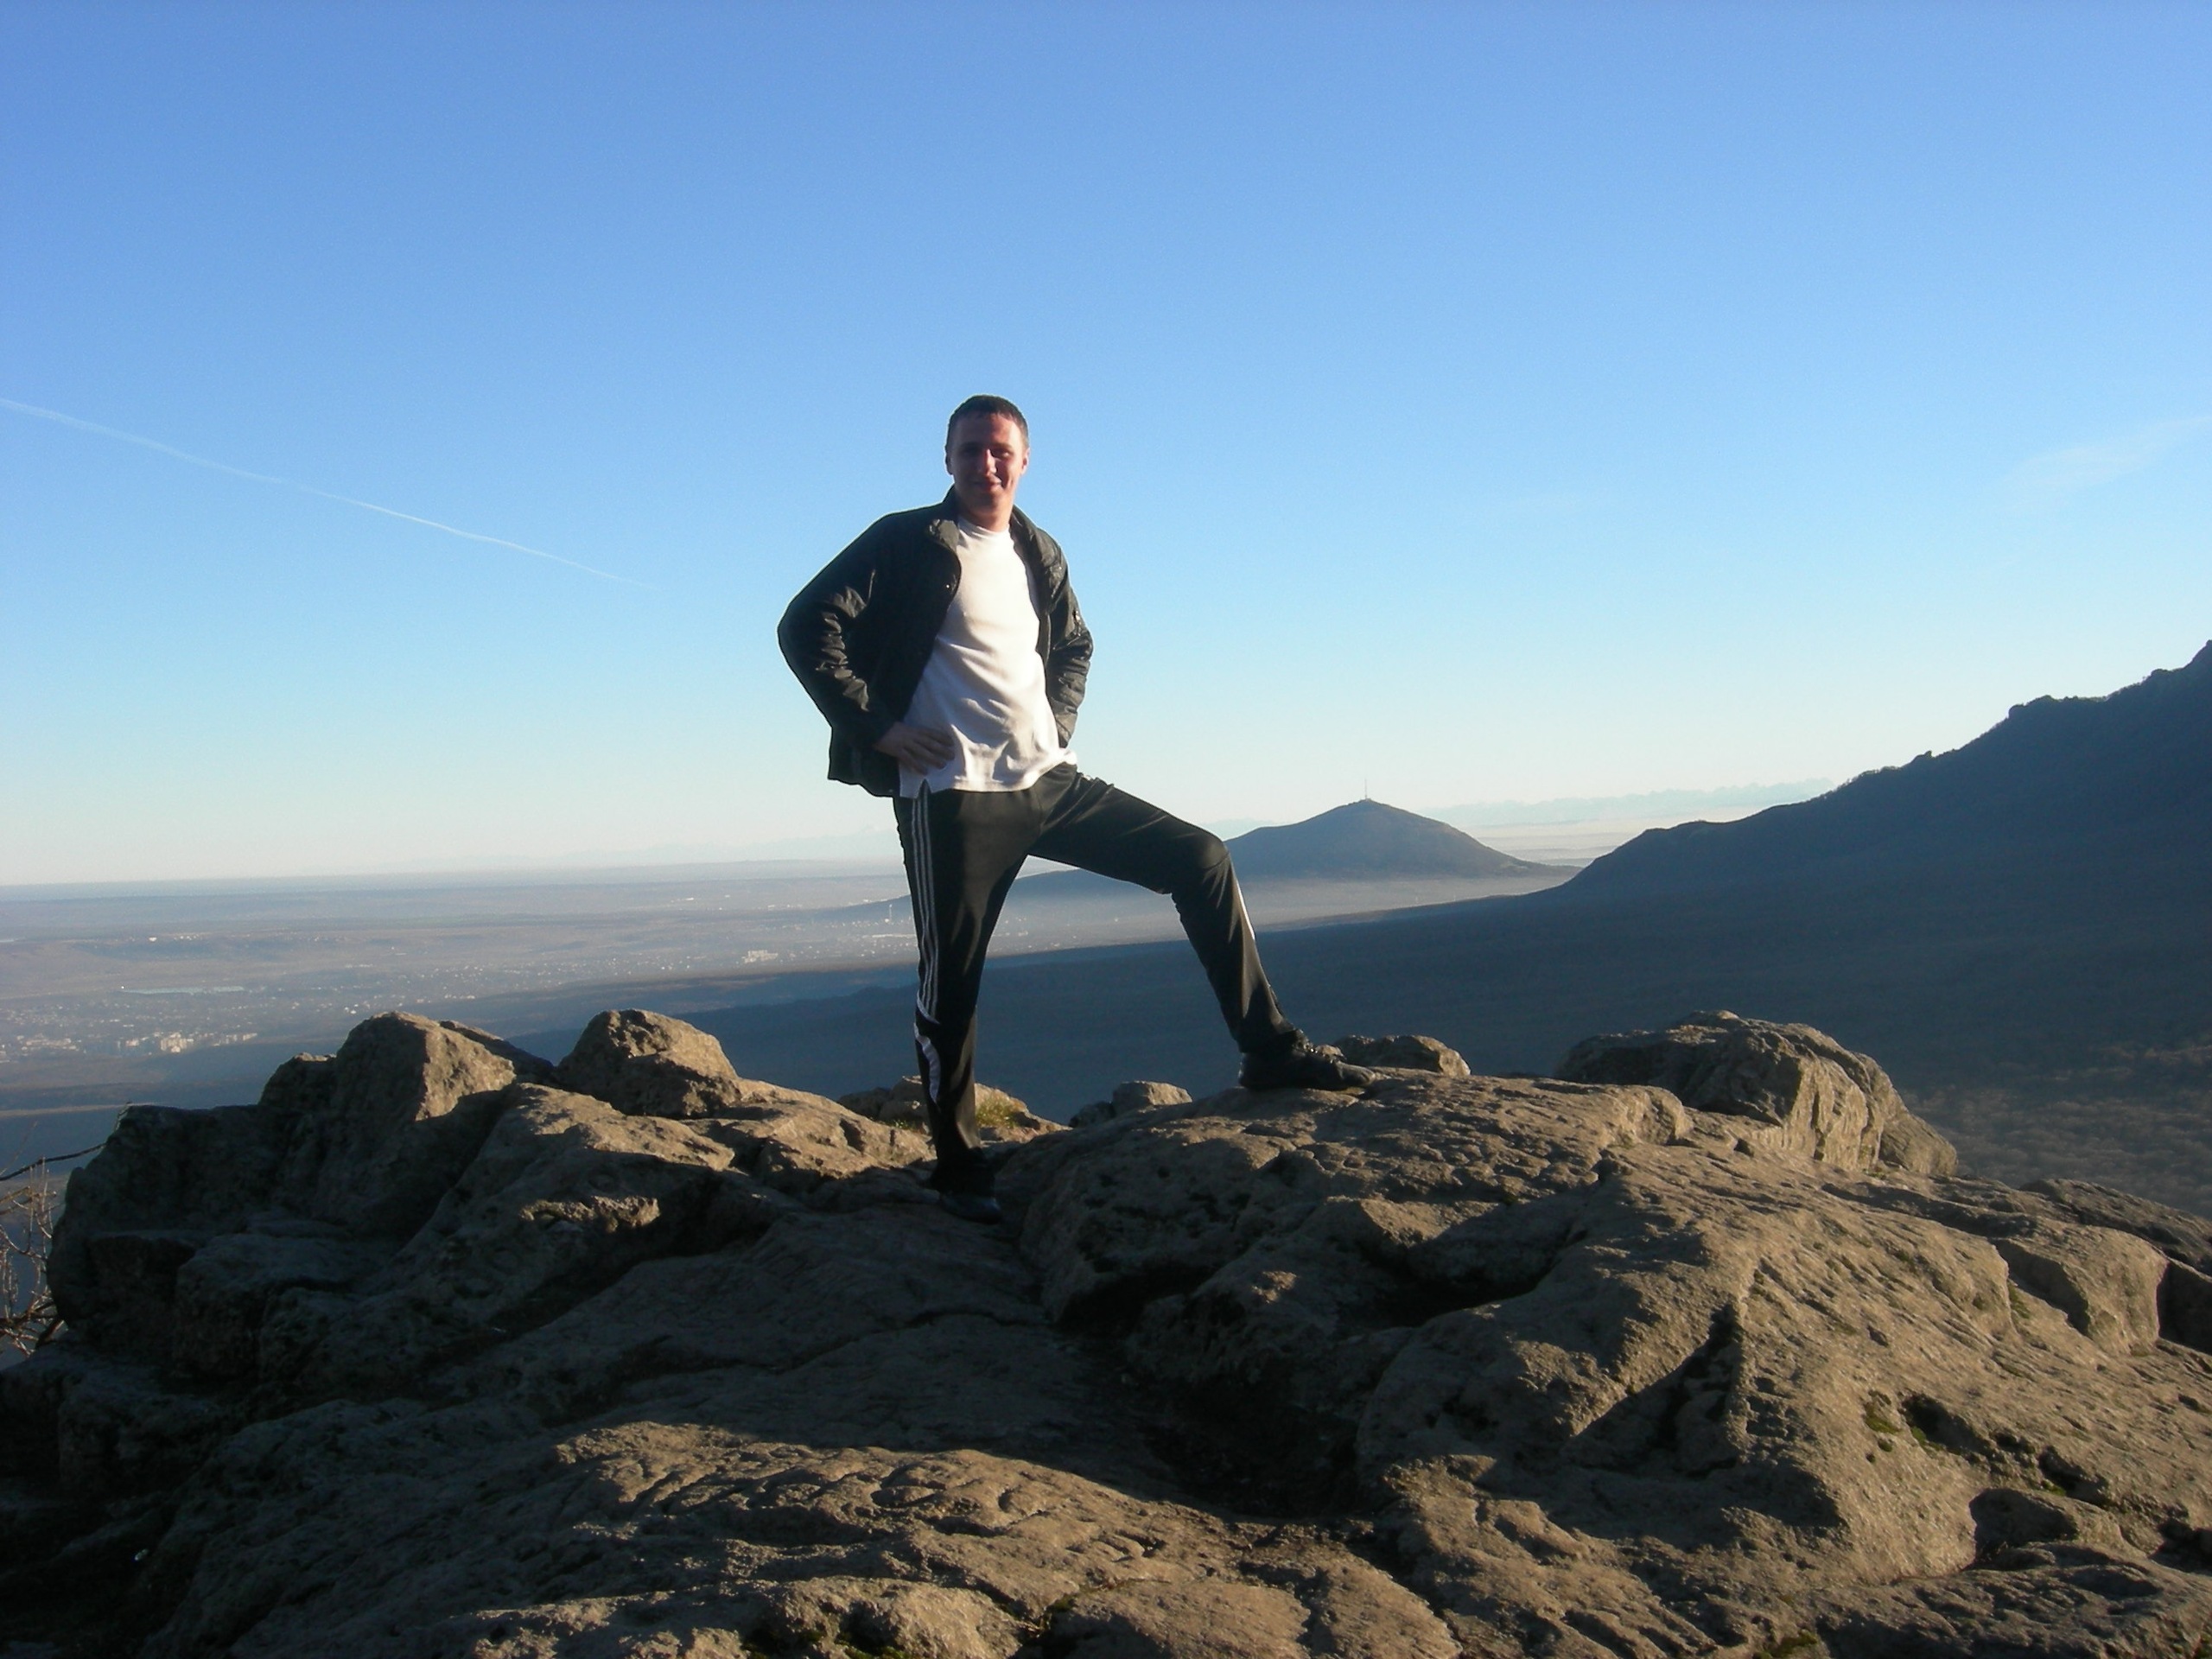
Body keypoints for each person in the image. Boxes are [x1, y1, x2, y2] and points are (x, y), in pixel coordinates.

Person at [779, 395, 1371, 1222]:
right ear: (946, 459)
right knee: (952, 979)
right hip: (954, 793)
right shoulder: (907, 541)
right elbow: (807, 625)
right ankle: (958, 1166)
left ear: (1025, 460)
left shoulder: (1037, 548)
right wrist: (877, 729)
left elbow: (1077, 643)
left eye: (1001, 450)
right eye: (971, 449)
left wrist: (1057, 724)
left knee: (1201, 858)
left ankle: (1268, 1051)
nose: (987, 463)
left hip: (1050, 781)